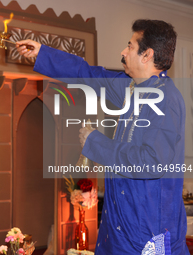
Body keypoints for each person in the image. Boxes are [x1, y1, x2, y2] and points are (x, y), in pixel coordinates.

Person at [16, 19, 188, 254]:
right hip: (119, 229)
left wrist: (94, 143)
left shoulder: (166, 100)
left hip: (146, 236)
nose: (123, 52)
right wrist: (43, 53)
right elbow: (87, 74)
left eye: (130, 46)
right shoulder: (131, 88)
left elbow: (151, 162)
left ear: (147, 54)